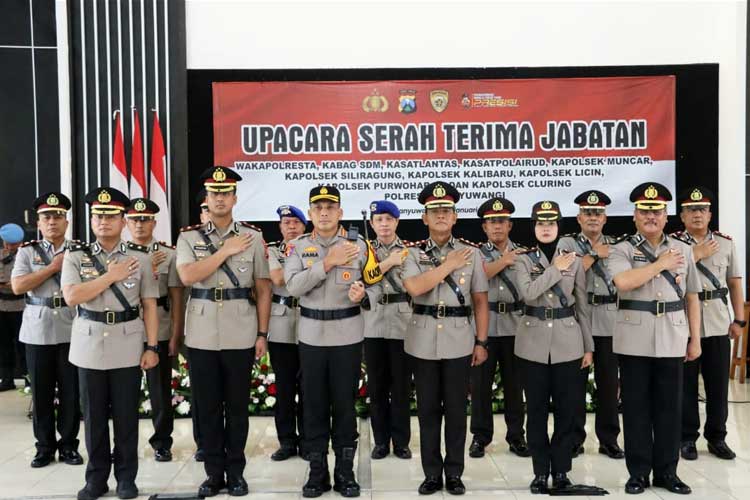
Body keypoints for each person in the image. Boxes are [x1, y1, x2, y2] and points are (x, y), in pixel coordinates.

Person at [176, 166, 272, 498]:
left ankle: (236, 472)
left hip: (241, 330)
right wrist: (224, 252)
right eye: (214, 193)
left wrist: (262, 333)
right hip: (201, 333)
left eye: (225, 192)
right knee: (208, 406)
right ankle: (213, 473)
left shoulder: (253, 236)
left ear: (234, 197)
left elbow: (263, 288)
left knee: (236, 407)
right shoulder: (188, 237)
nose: (219, 198)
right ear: (207, 196)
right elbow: (188, 276)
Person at [284, 185, 383, 498]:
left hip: (347, 336)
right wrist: (327, 262)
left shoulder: (360, 245)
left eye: (330, 207)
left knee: (343, 405)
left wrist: (364, 295)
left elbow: (377, 286)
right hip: (312, 336)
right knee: (312, 406)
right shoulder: (298, 247)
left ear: (340, 212)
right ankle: (316, 473)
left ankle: (345, 473)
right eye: (318, 208)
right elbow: (293, 286)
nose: (324, 213)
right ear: (311, 214)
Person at [61, 187, 160, 500]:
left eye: (111, 216)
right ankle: (96, 479)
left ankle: (127, 478)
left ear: (123, 220)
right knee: (93, 419)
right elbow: (73, 296)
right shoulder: (75, 256)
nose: (103, 221)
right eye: (98, 216)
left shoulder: (140, 258)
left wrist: (152, 346)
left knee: (127, 418)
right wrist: (110, 276)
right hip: (88, 344)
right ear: (91, 221)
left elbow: (149, 305)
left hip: (128, 344)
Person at [609, 182, 701, 495]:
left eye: (657, 211)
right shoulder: (622, 249)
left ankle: (667, 473)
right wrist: (660, 264)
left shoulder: (684, 249)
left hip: (673, 336)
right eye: (645, 211)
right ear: (635, 215)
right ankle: (638, 473)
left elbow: (692, 297)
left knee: (669, 409)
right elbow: (623, 282)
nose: (651, 216)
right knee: (635, 409)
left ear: (666, 216)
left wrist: (695, 339)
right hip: (634, 338)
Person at [401, 181, 489, 496]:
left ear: (454, 217)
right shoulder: (411, 252)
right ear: (424, 218)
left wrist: (481, 341)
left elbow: (480, 300)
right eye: (434, 211)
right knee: (426, 411)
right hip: (422, 339)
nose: (440, 215)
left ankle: (454, 473)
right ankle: (431, 474)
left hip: (459, 340)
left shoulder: (473, 253)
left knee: (455, 410)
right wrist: (449, 266)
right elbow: (414, 288)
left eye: (446, 210)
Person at [514, 200, 593, 494]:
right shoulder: (523, 259)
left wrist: (588, 346)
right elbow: (529, 293)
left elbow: (582, 306)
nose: (545, 228)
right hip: (532, 343)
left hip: (568, 342)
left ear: (559, 227)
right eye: (540, 223)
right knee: (535, 412)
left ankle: (561, 471)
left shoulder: (575, 259)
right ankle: (539, 472)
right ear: (533, 227)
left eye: (551, 223)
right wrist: (555, 270)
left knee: (566, 411)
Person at [11, 192, 82, 468]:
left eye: (58, 216)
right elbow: (18, 287)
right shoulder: (27, 251)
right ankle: (44, 447)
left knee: (70, 391)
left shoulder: (79, 250)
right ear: (39, 222)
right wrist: (53, 267)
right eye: (46, 217)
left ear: (67, 221)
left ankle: (68, 446)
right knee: (41, 393)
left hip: (71, 325)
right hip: (37, 328)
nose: (52, 222)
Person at [672, 187, 743, 461]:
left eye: (702, 209)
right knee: (686, 386)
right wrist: (695, 254)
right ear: (682, 215)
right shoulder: (674, 243)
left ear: (710, 214)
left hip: (716, 323)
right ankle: (687, 438)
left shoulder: (725, 243)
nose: (697, 214)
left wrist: (739, 318)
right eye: (691, 210)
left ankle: (717, 437)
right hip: (683, 325)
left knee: (717, 386)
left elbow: (734, 282)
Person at [556, 190, 625, 460]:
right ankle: (574, 438)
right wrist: (595, 254)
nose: (593, 217)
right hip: (578, 320)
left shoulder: (618, 245)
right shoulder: (567, 243)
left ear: (605, 218)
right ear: (579, 217)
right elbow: (564, 275)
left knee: (609, 385)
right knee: (574, 386)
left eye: (598, 213)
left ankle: (609, 439)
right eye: (588, 213)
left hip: (609, 319)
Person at [469, 197, 530, 459]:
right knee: (480, 387)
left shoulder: (525, 254)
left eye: (501, 221)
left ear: (510, 225)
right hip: (485, 328)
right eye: (491, 222)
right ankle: (480, 438)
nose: (496, 226)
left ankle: (517, 436)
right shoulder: (474, 254)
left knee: (515, 386)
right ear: (484, 227)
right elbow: (478, 277)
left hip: (516, 326)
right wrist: (504, 262)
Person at [125, 197, 184, 462]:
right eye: (134, 219)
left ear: (154, 222)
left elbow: (176, 298)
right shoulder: (118, 253)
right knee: (123, 391)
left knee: (160, 391)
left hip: (158, 327)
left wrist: (175, 335)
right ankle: (124, 446)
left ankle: (162, 442)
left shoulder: (168, 254)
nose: (139, 224)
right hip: (124, 328)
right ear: (126, 222)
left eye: (145, 219)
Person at [363, 200, 413, 460]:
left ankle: (401, 441)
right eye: (378, 219)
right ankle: (381, 441)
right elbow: (362, 279)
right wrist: (387, 263)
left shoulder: (411, 251)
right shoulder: (363, 251)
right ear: (371, 223)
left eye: (388, 219)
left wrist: (396, 261)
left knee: (401, 387)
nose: (383, 224)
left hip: (402, 323)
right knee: (377, 388)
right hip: (372, 322)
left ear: (396, 222)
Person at [267, 204, 307, 461]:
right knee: (284, 387)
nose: (291, 227)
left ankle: (308, 440)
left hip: (308, 322)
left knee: (309, 388)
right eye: (286, 223)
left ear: (305, 226)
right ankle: (286, 442)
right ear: (280, 227)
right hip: (281, 324)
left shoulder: (314, 248)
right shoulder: (272, 250)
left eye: (295, 223)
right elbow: (279, 280)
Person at [0, 223, 26, 390]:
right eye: (7, 244)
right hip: (1, 307)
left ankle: (28, 379)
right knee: (3, 345)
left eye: (13, 244)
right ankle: (7, 379)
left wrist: (12, 285)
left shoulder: (27, 256)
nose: (10, 247)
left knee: (23, 345)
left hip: (21, 306)